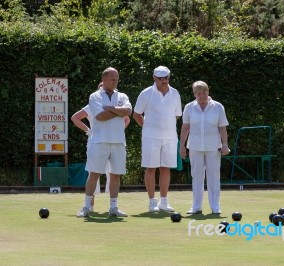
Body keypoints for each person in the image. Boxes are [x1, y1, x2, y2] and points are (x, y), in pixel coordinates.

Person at [77, 67, 132, 217]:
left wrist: (111, 109)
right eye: (113, 79)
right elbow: (100, 116)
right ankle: (87, 207)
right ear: (104, 80)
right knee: (94, 174)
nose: (116, 82)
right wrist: (118, 111)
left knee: (115, 175)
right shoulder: (95, 96)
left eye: (117, 79)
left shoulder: (122, 96)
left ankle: (114, 207)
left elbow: (128, 112)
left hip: (118, 141)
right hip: (99, 141)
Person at [133, 66, 182, 212]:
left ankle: (164, 201)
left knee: (166, 168)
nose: (164, 81)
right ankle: (152, 202)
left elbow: (177, 115)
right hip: (150, 137)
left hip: (170, 137)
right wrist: (147, 127)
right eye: (161, 78)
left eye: (166, 77)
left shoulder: (175, 93)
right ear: (154, 78)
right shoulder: (146, 93)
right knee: (150, 168)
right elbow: (136, 114)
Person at [179, 81, 229, 215]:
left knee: (214, 177)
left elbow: (222, 127)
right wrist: (182, 146)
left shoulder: (218, 107)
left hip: (213, 146)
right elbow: (185, 127)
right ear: (195, 94)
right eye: (198, 93)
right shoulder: (189, 107)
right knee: (196, 176)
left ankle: (215, 207)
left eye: (204, 93)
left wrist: (225, 144)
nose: (202, 96)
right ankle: (196, 207)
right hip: (195, 146)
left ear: (208, 92)